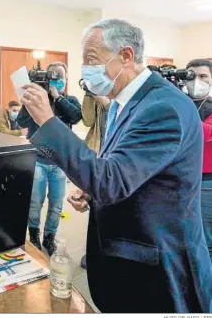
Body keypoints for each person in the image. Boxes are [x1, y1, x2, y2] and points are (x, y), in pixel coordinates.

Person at [20, 18, 212, 312]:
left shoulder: (162, 107)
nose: (85, 69)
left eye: (91, 59)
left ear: (126, 56)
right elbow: (123, 169)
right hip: (126, 255)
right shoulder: (123, 102)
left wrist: (48, 121)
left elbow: (110, 181)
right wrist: (91, 191)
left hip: (156, 265)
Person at [17, 62, 82, 255]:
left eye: (60, 78)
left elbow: (76, 116)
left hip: (60, 162)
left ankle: (49, 237)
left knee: (56, 204)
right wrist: (26, 102)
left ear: (66, 79)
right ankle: (34, 236)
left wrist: (57, 97)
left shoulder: (69, 100)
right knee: (35, 202)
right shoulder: (37, 101)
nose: (56, 81)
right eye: (53, 78)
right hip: (37, 159)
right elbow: (20, 122)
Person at [79, 83, 111, 269]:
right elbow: (88, 120)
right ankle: (95, 252)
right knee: (94, 207)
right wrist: (89, 95)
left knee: (110, 208)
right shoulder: (97, 94)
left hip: (116, 157)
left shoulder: (123, 95)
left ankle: (107, 254)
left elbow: (116, 111)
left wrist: (100, 96)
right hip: (98, 152)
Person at [186, 58, 212, 262]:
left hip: (206, 180)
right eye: (191, 76)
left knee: (205, 236)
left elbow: (205, 133)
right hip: (183, 177)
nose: (197, 81)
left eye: (203, 76)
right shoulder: (186, 101)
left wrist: (180, 106)